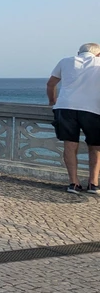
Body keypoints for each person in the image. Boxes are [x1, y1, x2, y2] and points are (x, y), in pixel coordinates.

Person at [47, 42, 100, 194]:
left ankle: (73, 183)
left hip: (65, 107)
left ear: (79, 52)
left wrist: (52, 101)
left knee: (70, 146)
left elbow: (51, 84)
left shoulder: (65, 61)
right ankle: (93, 184)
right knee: (95, 146)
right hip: (93, 109)